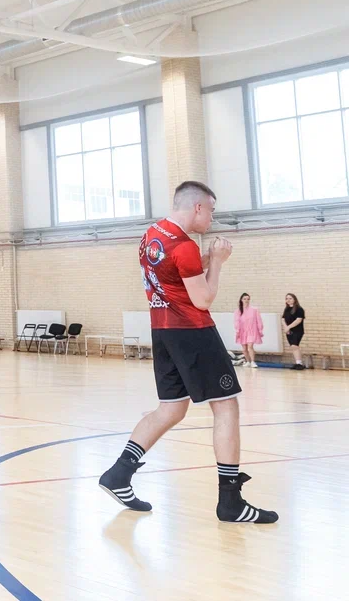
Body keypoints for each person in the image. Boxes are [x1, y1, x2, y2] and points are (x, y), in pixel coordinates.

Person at [99, 180, 276, 524]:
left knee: (170, 409)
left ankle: (119, 474)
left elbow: (173, 276)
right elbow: (203, 298)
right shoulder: (184, 245)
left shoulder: (152, 235)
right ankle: (231, 501)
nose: (212, 218)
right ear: (197, 207)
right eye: (211, 210)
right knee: (226, 406)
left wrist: (203, 260)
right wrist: (218, 262)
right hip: (192, 331)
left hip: (163, 331)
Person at [234, 293, 263, 369]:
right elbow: (236, 321)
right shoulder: (238, 311)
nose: (246, 300)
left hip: (252, 330)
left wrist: (260, 330)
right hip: (242, 331)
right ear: (241, 300)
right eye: (244, 299)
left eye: (248, 299)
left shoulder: (254, 310)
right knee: (244, 348)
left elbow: (259, 320)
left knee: (250, 346)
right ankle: (248, 361)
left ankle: (253, 361)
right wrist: (237, 331)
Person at [282, 294, 306, 370]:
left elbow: (298, 320)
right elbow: (283, 319)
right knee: (292, 347)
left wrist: (288, 327)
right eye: (287, 298)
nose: (288, 300)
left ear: (294, 299)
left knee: (294, 346)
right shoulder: (286, 309)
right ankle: (297, 362)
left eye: (290, 298)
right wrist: (286, 328)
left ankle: (299, 364)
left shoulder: (299, 309)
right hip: (289, 331)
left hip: (297, 331)